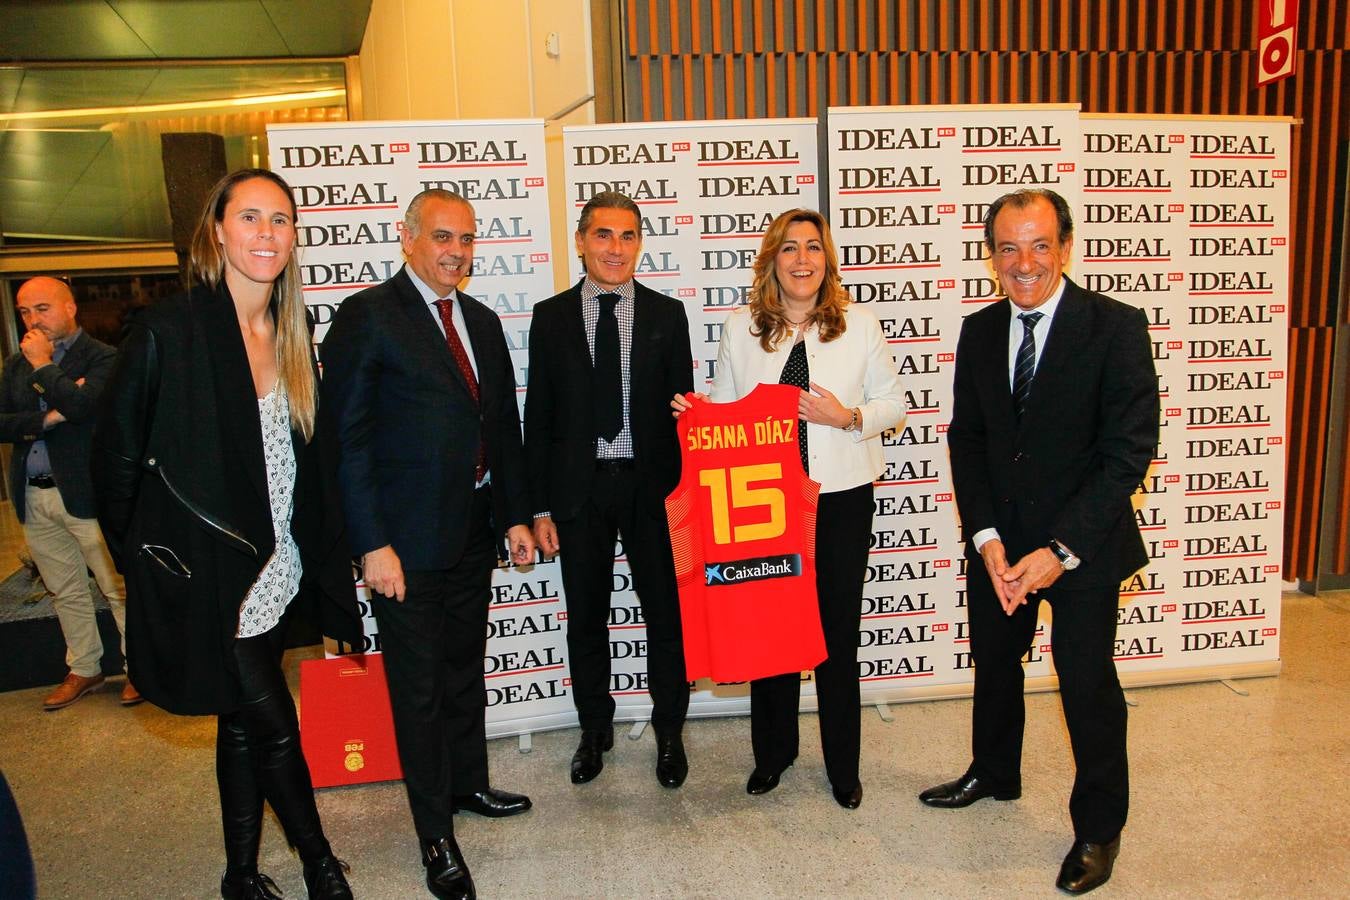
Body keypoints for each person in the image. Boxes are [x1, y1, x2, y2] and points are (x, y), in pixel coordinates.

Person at [92, 169, 359, 900]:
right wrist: (147, 563)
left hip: (276, 570)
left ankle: (240, 875)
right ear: (217, 231)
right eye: (250, 218)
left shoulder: (292, 333)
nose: (266, 234)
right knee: (274, 726)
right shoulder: (171, 331)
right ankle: (321, 866)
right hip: (209, 573)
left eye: (280, 219)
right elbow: (112, 462)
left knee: (241, 725)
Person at [918, 188, 1159, 895]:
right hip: (1001, 546)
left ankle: (1098, 827)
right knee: (995, 667)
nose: (1024, 263)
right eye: (1008, 248)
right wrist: (987, 536)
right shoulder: (981, 330)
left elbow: (1127, 454)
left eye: (1039, 244)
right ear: (991, 254)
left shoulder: (1115, 327)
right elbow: (971, 440)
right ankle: (994, 772)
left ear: (1065, 246)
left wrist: (1058, 551)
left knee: (1086, 686)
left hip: (1081, 546)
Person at [321, 188, 535, 900]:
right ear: (406, 237)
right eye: (443, 236)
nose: (457, 252)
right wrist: (371, 544)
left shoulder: (478, 319)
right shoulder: (367, 316)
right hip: (403, 548)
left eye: (467, 239)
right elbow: (344, 441)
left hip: (473, 531)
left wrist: (514, 516)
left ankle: (467, 785)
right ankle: (434, 836)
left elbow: (501, 425)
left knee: (461, 672)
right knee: (417, 692)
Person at [674, 208, 905, 809]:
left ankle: (843, 767)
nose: (802, 259)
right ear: (772, 260)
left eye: (813, 248)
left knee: (836, 634)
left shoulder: (859, 326)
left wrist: (846, 417)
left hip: (840, 499)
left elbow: (892, 406)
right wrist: (697, 416)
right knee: (769, 630)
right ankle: (772, 755)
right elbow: (724, 408)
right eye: (789, 249)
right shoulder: (740, 328)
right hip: (763, 507)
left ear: (826, 260)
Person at [524, 191, 695, 790]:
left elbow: (686, 420)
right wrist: (539, 505)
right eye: (603, 235)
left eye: (627, 236)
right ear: (581, 242)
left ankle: (670, 730)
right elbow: (538, 421)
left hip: (651, 493)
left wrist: (686, 501)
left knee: (665, 617)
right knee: (586, 619)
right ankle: (593, 728)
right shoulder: (549, 318)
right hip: (580, 492)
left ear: (639, 243)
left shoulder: (667, 316)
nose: (615, 248)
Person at [0, 276, 132, 709]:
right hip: (34, 494)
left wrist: (44, 368)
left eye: (42, 308)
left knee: (118, 588)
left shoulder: (103, 358)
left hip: (88, 496)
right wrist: (44, 419)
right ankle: (85, 667)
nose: (32, 319)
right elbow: (3, 423)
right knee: (64, 589)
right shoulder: (14, 365)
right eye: (24, 311)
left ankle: (141, 669)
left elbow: (82, 407)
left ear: (70, 308)